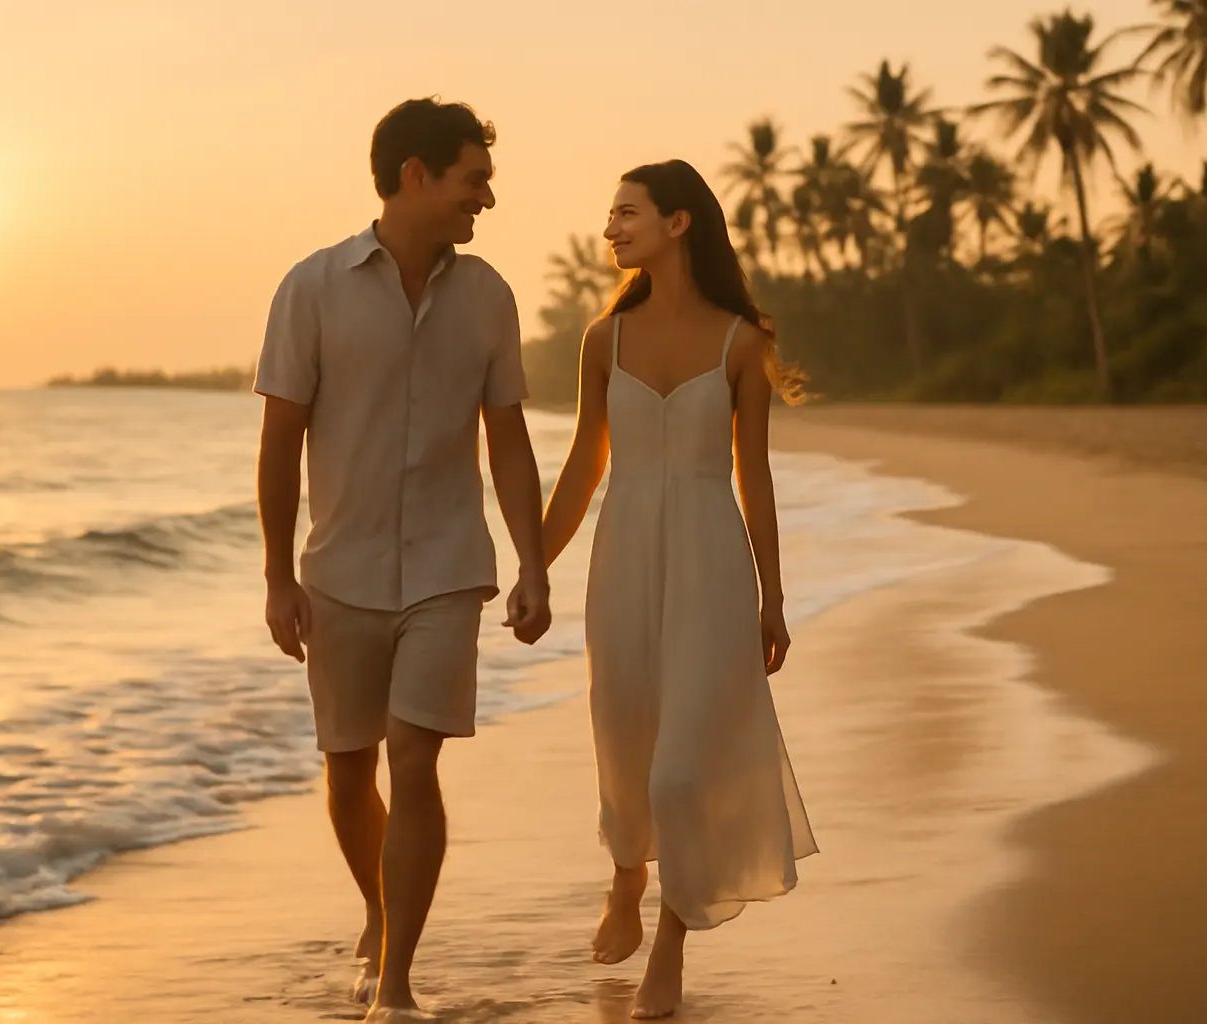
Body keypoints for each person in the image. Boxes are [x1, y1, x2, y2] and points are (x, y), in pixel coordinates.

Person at [253, 97, 550, 1023]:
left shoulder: (490, 296)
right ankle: (380, 914)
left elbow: (508, 442)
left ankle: (397, 982)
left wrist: (533, 564)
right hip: (337, 572)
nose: (487, 199)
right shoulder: (311, 288)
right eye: (474, 178)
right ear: (415, 175)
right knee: (350, 773)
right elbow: (278, 443)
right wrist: (276, 575)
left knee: (415, 760)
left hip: (448, 569)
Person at [531, 159, 819, 1019]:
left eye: (627, 213)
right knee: (622, 734)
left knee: (683, 764)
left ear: (680, 222)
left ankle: (670, 937)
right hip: (622, 558)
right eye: (610, 215)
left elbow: (753, 478)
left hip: (709, 563)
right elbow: (586, 464)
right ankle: (626, 875)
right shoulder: (602, 340)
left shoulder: (741, 343)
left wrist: (773, 597)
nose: (611, 228)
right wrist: (532, 566)